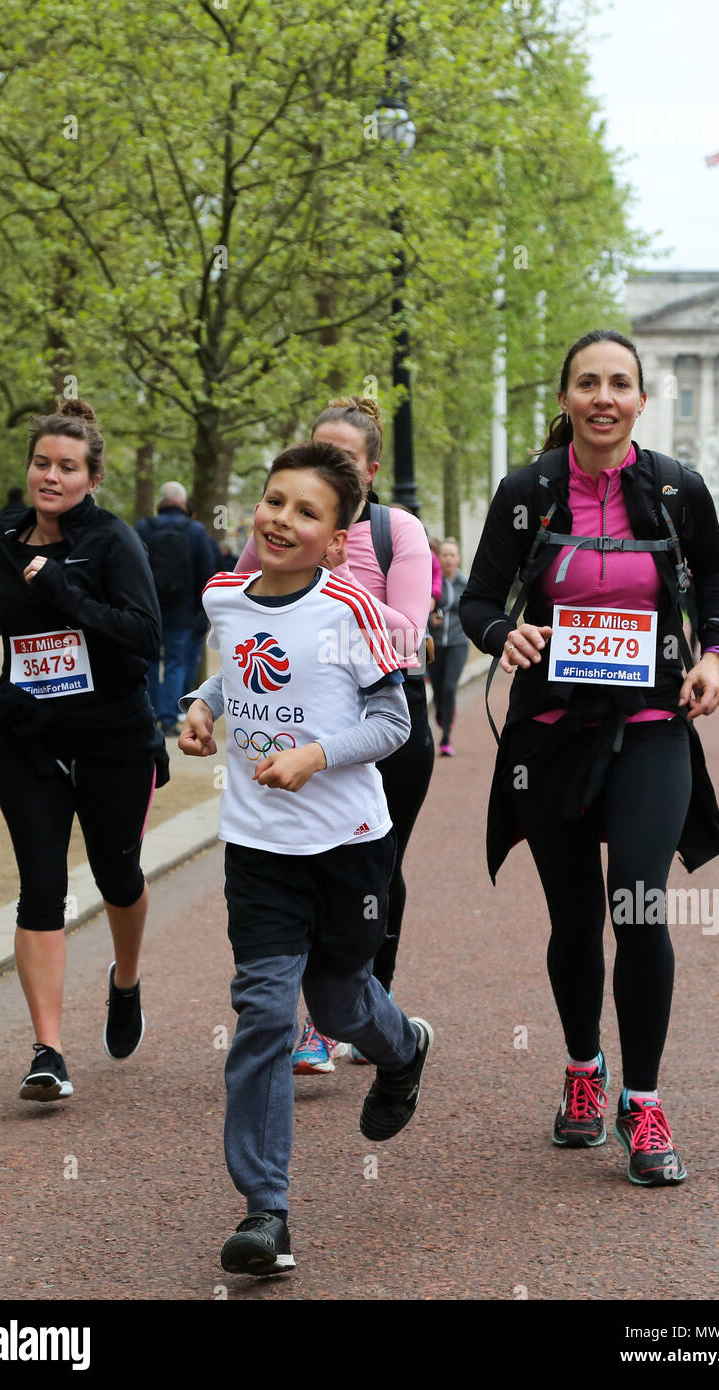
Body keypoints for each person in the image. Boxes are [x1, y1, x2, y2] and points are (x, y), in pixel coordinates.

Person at [460, 329, 719, 1186]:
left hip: (653, 725)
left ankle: (643, 1099)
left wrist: (711, 657)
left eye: (620, 383)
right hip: (551, 733)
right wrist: (508, 635)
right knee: (575, 918)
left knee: (640, 908)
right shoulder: (527, 491)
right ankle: (585, 1074)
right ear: (567, 398)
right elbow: (475, 600)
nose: (604, 397)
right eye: (588, 383)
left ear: (641, 401)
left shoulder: (676, 488)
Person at [178, 439, 433, 1276]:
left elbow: (394, 725)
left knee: (340, 1000)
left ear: (336, 538)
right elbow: (236, 673)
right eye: (275, 502)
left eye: (307, 512)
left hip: (349, 848)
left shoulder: (354, 611)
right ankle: (265, 1211)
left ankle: (403, 1048)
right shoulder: (225, 595)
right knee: (263, 1014)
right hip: (258, 849)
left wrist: (316, 755)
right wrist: (201, 709)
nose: (283, 520)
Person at [0, 398, 169, 1103]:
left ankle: (125, 977)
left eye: (67, 467)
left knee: (119, 876)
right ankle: (48, 1050)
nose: (50, 476)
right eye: (42, 463)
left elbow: (145, 637)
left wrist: (63, 590)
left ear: (92, 476)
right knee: (41, 886)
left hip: (113, 739)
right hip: (26, 739)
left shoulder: (113, 542)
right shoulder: (2, 537)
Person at [234, 397, 434, 1073]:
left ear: (370, 471)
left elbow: (406, 634)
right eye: (317, 449)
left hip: (384, 716)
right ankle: (311, 1019)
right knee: (287, 862)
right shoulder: (281, 529)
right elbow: (242, 614)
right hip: (291, 717)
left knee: (376, 861)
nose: (327, 465)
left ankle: (364, 1001)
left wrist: (330, 578)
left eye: (343, 457)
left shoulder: (396, 533)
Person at [135, 481, 216, 735]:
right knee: (175, 664)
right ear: (183, 503)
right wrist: (200, 608)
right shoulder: (196, 531)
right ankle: (169, 718)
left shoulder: (143, 528)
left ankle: (148, 715)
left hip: (149, 608)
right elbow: (207, 570)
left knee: (148, 661)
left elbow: (131, 568)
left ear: (162, 501)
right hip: (183, 612)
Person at [428, 537, 469, 755]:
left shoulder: (466, 584)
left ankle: (445, 739)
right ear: (439, 558)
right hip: (434, 645)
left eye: (453, 555)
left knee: (450, 687)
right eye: (445, 555)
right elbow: (421, 610)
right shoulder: (432, 583)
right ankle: (441, 712)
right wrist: (430, 620)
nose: (449, 559)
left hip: (458, 643)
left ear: (458, 558)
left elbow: (473, 611)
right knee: (436, 691)